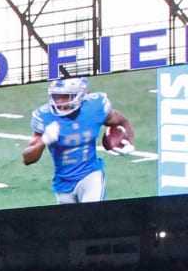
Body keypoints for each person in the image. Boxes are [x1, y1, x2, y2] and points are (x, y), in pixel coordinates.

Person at [22, 75, 134, 204]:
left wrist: (130, 140)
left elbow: (120, 120)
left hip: (90, 175)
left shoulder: (94, 108)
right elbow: (27, 159)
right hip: (63, 182)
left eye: (66, 96)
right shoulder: (45, 116)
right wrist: (44, 140)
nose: (60, 102)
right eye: (57, 96)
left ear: (79, 95)